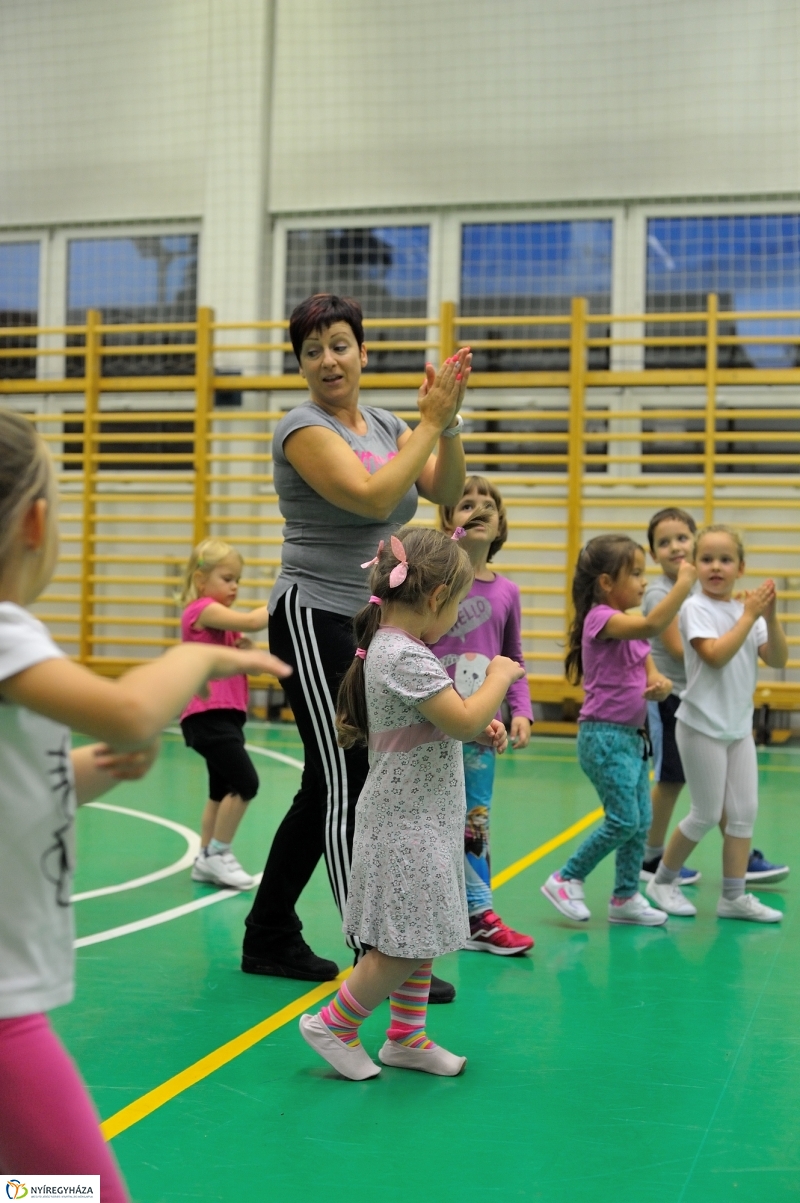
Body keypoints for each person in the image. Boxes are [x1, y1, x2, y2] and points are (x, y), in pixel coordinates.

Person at [0, 410, 287, 1191]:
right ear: (35, 521)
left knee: (29, 1188)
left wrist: (92, 768)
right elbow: (130, 709)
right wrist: (196, 654)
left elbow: (23, 787)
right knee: (85, 1190)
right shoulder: (8, 632)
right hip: (3, 1019)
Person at [242, 294, 469, 1004]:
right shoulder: (301, 428)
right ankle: (379, 949)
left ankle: (269, 929)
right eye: (312, 351)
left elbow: (448, 492)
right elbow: (374, 499)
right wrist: (428, 425)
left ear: (362, 353)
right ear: (302, 365)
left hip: (367, 622)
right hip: (312, 615)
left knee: (326, 782)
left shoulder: (386, 423)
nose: (327, 360)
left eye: (339, 344)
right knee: (348, 777)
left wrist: (447, 421)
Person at [298, 527, 525, 1080]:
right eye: (457, 605)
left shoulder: (400, 650)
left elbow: (444, 721)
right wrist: (498, 677)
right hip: (406, 822)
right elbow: (462, 715)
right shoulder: (404, 655)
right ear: (434, 599)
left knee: (419, 931)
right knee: (402, 943)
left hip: (423, 816)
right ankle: (335, 1023)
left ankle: (406, 1036)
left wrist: (479, 726)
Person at [541, 535, 696, 926]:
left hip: (631, 739)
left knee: (641, 822)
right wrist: (681, 585)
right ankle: (566, 877)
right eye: (637, 574)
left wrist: (659, 686)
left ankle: (625, 897)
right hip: (603, 738)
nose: (644, 583)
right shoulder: (600, 618)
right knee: (624, 819)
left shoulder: (633, 637)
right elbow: (652, 622)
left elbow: (652, 675)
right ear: (607, 582)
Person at [640, 507, 789, 888]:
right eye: (707, 559)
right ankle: (657, 870)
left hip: (736, 725)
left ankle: (734, 893)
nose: (716, 567)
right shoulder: (690, 604)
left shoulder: (741, 609)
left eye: (726, 559)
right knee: (701, 808)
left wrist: (767, 617)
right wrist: (747, 615)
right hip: (694, 713)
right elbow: (714, 656)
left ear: (741, 567)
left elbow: (776, 657)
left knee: (743, 811)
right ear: (695, 564)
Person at [433, 475, 534, 954]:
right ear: (447, 520)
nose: (474, 510)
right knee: (428, 819)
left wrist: (522, 710)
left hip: (481, 728)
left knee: (475, 816)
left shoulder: (507, 592)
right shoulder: (431, 584)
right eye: (463, 503)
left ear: (499, 528)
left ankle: (478, 913)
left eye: (486, 506)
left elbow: (513, 657)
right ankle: (436, 910)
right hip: (429, 723)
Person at [179, 538, 272, 890]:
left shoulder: (225, 628)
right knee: (246, 783)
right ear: (201, 581)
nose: (234, 586)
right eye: (227, 578)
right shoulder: (201, 610)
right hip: (207, 714)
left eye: (238, 580)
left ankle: (205, 858)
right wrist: (284, 596)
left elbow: (248, 650)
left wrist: (249, 652)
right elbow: (251, 620)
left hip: (226, 717)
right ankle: (219, 853)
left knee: (220, 790)